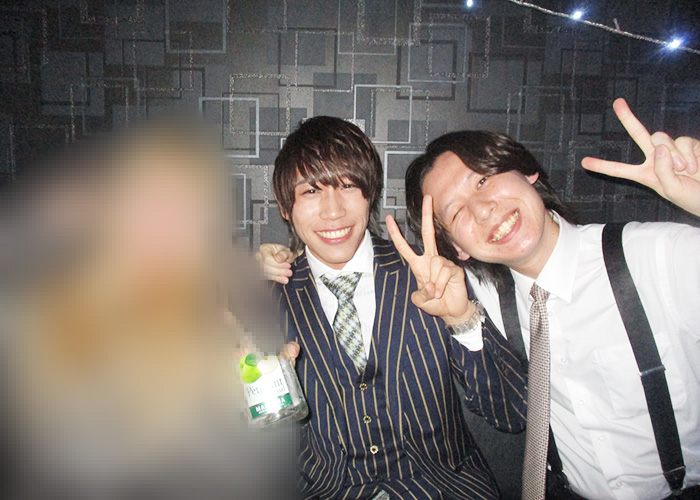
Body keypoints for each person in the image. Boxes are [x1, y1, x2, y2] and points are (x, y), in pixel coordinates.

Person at [396, 98, 700, 500]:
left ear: (527, 172)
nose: (483, 211)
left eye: (483, 181)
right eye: (456, 213)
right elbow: (508, 415)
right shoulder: (485, 298)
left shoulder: (655, 256)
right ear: (459, 248)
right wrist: (461, 321)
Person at [266, 115, 527, 499]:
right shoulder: (263, 299)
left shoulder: (430, 273)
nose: (333, 211)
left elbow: (512, 413)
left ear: (369, 194)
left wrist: (462, 319)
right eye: (311, 191)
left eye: (348, 185)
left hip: (443, 490)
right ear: (285, 207)